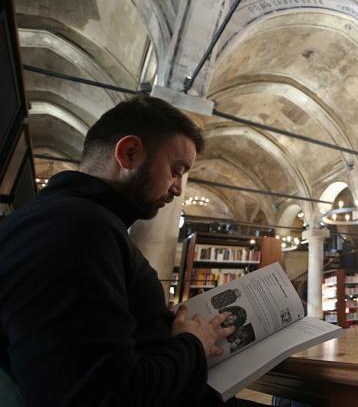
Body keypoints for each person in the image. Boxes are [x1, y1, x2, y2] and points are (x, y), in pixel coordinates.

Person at [0, 96, 238, 406]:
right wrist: (193, 343)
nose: (178, 188)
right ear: (129, 153)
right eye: (176, 170)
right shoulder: (75, 227)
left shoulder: (76, 221)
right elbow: (101, 396)